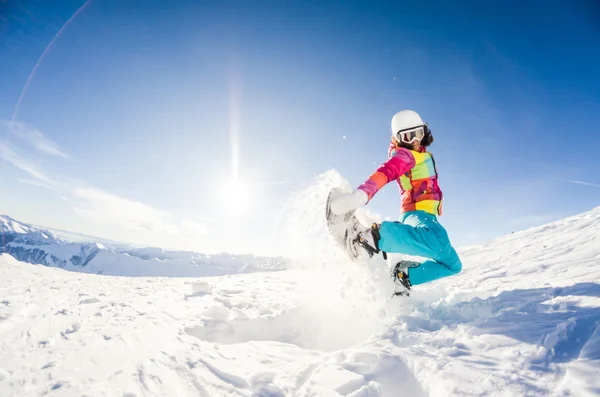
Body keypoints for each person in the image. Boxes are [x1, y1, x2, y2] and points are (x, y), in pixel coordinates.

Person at [328, 109, 462, 292]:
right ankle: (369, 238)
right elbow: (386, 172)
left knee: (453, 265)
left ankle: (404, 276)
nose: (414, 140)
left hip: (428, 216)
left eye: (418, 133)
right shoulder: (404, 156)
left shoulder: (420, 154)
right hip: (416, 212)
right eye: (408, 136)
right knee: (440, 242)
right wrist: (361, 194)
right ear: (398, 139)